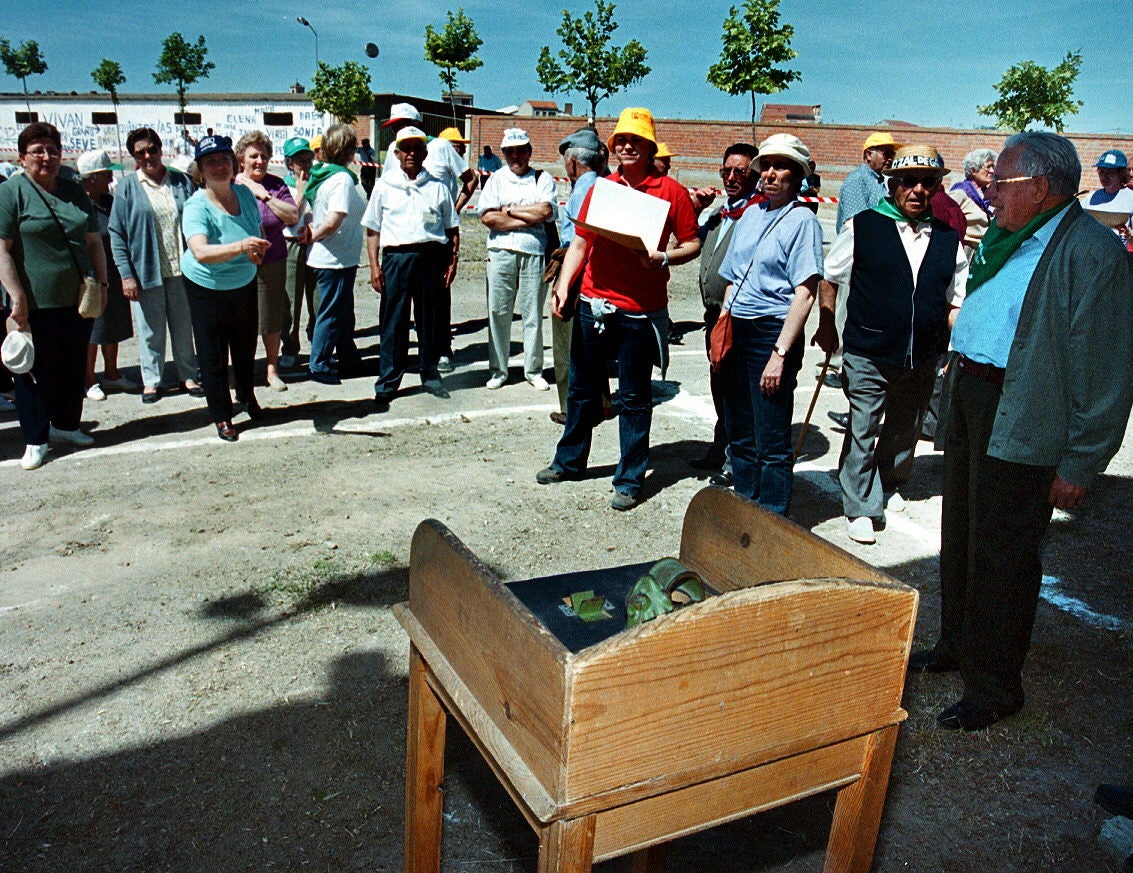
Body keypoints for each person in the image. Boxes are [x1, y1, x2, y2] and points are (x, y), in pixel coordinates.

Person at [911, 131, 1133, 731]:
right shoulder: (1010, 239)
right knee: (960, 533)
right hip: (975, 398)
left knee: (1004, 554)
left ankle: (994, 686)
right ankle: (955, 645)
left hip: (1026, 411)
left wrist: (1082, 462)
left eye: (999, 182)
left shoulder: (1092, 253)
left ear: (1039, 188)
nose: (988, 191)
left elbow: (1109, 371)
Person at [536, 107, 700, 511]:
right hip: (594, 303)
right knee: (580, 387)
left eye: (636, 141)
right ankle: (569, 461)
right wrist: (563, 285)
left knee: (634, 395)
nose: (627, 146)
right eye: (621, 141)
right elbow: (580, 244)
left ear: (648, 147)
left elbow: (691, 243)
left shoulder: (671, 192)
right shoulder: (601, 188)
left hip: (640, 312)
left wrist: (663, 257)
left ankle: (628, 479)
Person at [815, 144, 967, 544]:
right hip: (869, 348)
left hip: (922, 352)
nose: (917, 190)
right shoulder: (863, 225)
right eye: (908, 182)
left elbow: (955, 299)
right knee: (864, 423)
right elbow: (829, 278)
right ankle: (861, 505)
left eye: (927, 182)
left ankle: (891, 481)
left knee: (906, 425)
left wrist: (957, 344)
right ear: (893, 184)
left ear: (937, 187)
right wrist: (826, 324)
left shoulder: (949, 239)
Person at [717, 134, 822, 515]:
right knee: (740, 430)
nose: (772, 174)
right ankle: (746, 505)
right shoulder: (748, 215)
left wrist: (780, 354)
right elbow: (731, 277)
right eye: (768, 166)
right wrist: (723, 325)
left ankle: (773, 517)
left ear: (797, 176)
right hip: (737, 329)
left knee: (771, 437)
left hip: (771, 333)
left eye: (782, 167)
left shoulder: (803, 221)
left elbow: (806, 292)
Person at [0, 122, 108, 470]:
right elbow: (2, 249)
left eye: (52, 150)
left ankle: (65, 425)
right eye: (37, 151)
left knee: (71, 367)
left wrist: (102, 285)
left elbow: (93, 243)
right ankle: (35, 438)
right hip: (32, 302)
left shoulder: (74, 191)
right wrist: (15, 295)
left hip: (76, 298)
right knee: (30, 371)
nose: (46, 157)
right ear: (22, 157)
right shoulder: (11, 193)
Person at [180, 134, 270, 442]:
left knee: (245, 346)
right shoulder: (195, 207)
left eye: (223, 159)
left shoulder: (244, 194)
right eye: (210, 162)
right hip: (206, 284)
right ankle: (222, 415)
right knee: (213, 353)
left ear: (233, 163)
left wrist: (256, 251)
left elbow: (255, 232)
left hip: (242, 280)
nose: (219, 166)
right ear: (200, 170)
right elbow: (201, 252)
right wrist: (242, 246)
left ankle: (247, 397)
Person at [363, 126, 460, 409]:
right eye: (406, 148)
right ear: (397, 153)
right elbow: (372, 230)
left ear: (425, 153)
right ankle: (388, 381)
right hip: (396, 259)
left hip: (431, 257)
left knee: (429, 321)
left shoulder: (438, 186)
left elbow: (452, 227)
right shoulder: (384, 185)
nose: (412, 153)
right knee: (393, 322)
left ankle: (429, 375)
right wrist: (374, 266)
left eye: (417, 148)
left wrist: (453, 260)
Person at [108, 127, 202, 404]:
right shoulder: (127, 187)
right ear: (133, 156)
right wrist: (126, 274)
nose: (148, 156)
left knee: (184, 326)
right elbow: (117, 233)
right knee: (150, 329)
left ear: (161, 149)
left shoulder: (182, 182)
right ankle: (152, 380)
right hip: (146, 270)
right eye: (141, 152)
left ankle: (188, 375)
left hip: (182, 268)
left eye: (152, 149)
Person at [382, 104, 477, 373]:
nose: (398, 133)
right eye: (395, 129)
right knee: (401, 303)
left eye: (402, 125)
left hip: (437, 236)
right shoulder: (394, 151)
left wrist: (453, 211)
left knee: (437, 295)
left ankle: (442, 348)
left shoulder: (441, 148)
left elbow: (471, 180)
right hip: (404, 236)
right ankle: (403, 359)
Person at [688, 142, 763, 475]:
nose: (731, 178)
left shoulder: (758, 214)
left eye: (740, 172)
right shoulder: (720, 213)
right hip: (713, 317)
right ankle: (721, 449)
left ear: (756, 176)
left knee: (736, 392)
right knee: (720, 388)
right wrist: (695, 209)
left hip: (738, 318)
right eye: (726, 171)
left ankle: (737, 460)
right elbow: (687, 242)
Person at [479, 127, 556, 390]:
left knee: (532, 312)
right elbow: (489, 217)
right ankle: (498, 369)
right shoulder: (496, 179)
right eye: (509, 152)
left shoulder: (542, 179)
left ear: (529, 152)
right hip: (500, 252)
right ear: (503, 153)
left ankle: (534, 370)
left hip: (534, 251)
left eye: (520, 150)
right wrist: (526, 217)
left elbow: (545, 211)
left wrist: (509, 210)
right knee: (498, 311)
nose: (515, 156)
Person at [549, 126, 607, 424]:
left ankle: (571, 407)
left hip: (576, 268)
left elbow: (576, 241)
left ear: (573, 162)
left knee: (567, 343)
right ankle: (603, 401)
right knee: (591, 340)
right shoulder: (605, 183)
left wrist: (563, 281)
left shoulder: (583, 188)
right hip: (595, 271)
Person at [301, 124, 367, 385]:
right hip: (334, 259)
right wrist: (314, 235)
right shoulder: (340, 179)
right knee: (331, 313)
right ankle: (319, 364)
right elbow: (333, 219)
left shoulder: (326, 174)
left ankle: (349, 359)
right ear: (348, 150)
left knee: (340, 312)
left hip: (337, 258)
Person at [234, 131, 300, 392]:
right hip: (237, 263)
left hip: (272, 260)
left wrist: (264, 195)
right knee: (239, 318)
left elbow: (292, 216)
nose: (259, 161)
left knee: (271, 316)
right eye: (253, 156)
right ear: (241, 159)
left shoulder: (275, 185)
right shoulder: (230, 185)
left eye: (264, 156)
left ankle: (272, 368)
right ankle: (242, 368)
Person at [76, 149, 138, 401]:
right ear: (91, 178)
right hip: (90, 276)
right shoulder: (79, 204)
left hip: (114, 270)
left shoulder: (109, 201)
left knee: (113, 324)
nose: (109, 179)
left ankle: (112, 374)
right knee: (93, 327)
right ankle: (89, 378)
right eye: (104, 174)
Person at [279, 136, 317, 370]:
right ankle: (290, 347)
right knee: (291, 300)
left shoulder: (319, 180)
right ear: (289, 163)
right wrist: (301, 190)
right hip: (290, 244)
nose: (305, 163)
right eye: (299, 159)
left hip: (314, 243)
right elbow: (290, 215)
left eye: (308, 158)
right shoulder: (282, 186)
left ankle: (318, 343)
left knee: (318, 300)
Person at [948, 148, 996, 256]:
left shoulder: (987, 196)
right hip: (966, 253)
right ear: (973, 170)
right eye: (988, 167)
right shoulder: (960, 193)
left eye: (993, 167)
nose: (992, 171)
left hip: (984, 253)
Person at [1085, 149, 1133, 245]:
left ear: (1121, 173)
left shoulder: (1130, 198)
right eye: (1101, 171)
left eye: (1110, 172)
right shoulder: (1091, 197)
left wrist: (1129, 235)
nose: (1104, 176)